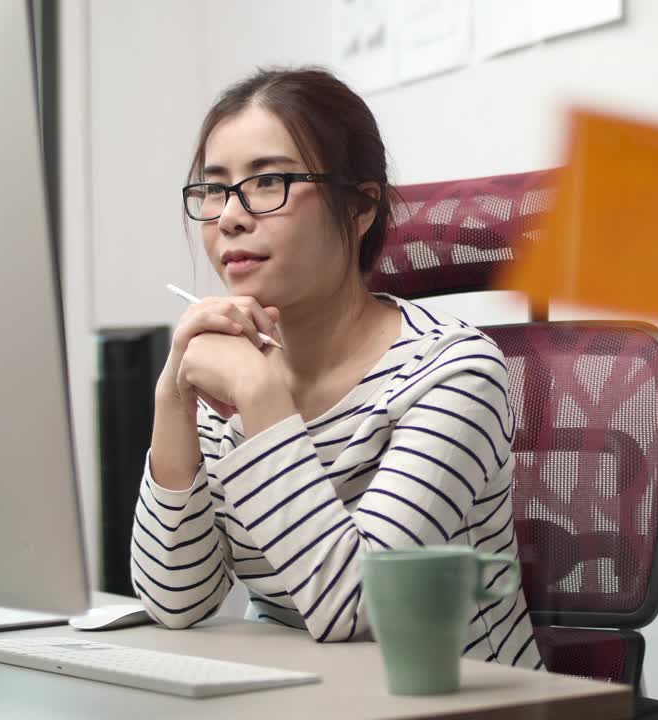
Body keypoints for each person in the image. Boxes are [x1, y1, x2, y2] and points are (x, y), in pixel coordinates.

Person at [130, 67, 541, 669]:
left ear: (361, 206)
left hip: (451, 706)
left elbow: (360, 608)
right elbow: (175, 600)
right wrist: (175, 399)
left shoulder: (455, 373)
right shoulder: (232, 373)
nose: (229, 218)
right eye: (215, 189)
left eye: (269, 181)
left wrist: (261, 399)